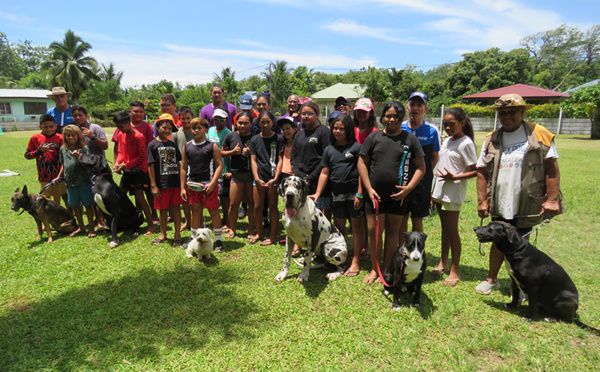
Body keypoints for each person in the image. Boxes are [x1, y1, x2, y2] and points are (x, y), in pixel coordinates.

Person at [475, 93, 563, 295]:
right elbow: (481, 171)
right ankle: (492, 279)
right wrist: (482, 201)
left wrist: (552, 199)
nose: (506, 116)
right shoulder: (492, 139)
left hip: (527, 199)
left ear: (522, 111)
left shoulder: (539, 133)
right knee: (498, 239)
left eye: (512, 111)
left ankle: (521, 284)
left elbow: (552, 168)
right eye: (502, 112)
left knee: (522, 242)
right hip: (499, 198)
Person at [357, 101, 425, 285]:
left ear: (402, 117)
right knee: (374, 232)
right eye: (388, 115)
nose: (392, 119)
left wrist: (408, 189)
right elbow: (362, 163)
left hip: (399, 196)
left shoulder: (410, 139)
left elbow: (421, 167)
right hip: (375, 196)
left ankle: (387, 268)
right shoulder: (374, 137)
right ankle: (374, 268)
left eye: (396, 116)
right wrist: (368, 189)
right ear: (382, 117)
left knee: (393, 232)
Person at [311, 114, 365, 277]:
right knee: (339, 228)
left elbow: (363, 172)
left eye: (342, 128)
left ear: (348, 130)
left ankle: (355, 260)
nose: (338, 131)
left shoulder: (356, 147)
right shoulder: (329, 150)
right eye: (335, 128)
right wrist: (318, 193)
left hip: (354, 194)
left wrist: (360, 194)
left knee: (356, 227)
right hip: (337, 194)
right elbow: (325, 172)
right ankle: (341, 259)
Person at [430, 107, 478, 286]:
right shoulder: (447, 141)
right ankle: (443, 262)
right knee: (445, 229)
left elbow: (475, 171)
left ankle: (455, 270)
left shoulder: (466, 143)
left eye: (452, 124)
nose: (448, 128)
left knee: (452, 231)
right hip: (440, 191)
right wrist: (434, 193)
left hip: (453, 193)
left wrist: (455, 177)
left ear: (462, 123)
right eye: (445, 125)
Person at [399, 92, 440, 245]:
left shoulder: (432, 131)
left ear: (425, 109)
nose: (415, 108)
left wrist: (421, 175)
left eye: (419, 105)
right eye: (412, 105)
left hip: (422, 184)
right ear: (407, 108)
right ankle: (401, 250)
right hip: (402, 181)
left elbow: (434, 158)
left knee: (417, 218)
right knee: (402, 217)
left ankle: (417, 251)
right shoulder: (400, 128)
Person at [180, 118, 225, 252]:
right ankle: (193, 237)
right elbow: (183, 168)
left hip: (208, 185)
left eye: (199, 128)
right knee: (196, 211)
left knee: (214, 211)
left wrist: (212, 183)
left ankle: (218, 240)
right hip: (193, 185)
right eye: (193, 128)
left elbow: (220, 166)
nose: (196, 131)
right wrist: (182, 187)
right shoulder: (187, 146)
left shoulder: (212, 146)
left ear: (206, 129)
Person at [113, 111, 155, 236]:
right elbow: (121, 152)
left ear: (128, 123)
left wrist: (125, 165)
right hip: (128, 170)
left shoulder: (138, 136)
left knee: (139, 196)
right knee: (120, 194)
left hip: (140, 170)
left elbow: (142, 157)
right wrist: (117, 163)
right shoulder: (121, 134)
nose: (119, 129)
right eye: (117, 126)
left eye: (121, 126)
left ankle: (151, 224)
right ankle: (124, 221)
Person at [248, 111, 284, 246]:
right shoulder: (255, 139)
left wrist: (275, 178)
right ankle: (259, 233)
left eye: (268, 122)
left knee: (273, 207)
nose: (265, 125)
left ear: (272, 123)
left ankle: (273, 236)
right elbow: (253, 160)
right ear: (259, 123)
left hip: (273, 178)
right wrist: (256, 178)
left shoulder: (278, 139)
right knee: (257, 207)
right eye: (262, 122)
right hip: (258, 178)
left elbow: (280, 160)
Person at [147, 114, 183, 246]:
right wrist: (153, 185)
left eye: (169, 129)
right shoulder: (152, 145)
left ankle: (177, 235)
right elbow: (150, 165)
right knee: (163, 210)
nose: (167, 131)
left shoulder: (172, 144)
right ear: (157, 127)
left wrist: (182, 181)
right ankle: (163, 234)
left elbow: (178, 163)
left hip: (175, 183)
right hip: (162, 184)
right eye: (164, 128)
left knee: (176, 209)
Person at [53, 125, 95, 237]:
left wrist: (78, 157)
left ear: (78, 135)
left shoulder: (84, 149)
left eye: (73, 135)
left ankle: (90, 228)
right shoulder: (63, 149)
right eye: (68, 135)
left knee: (88, 205)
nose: (70, 137)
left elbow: (88, 166)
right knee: (75, 205)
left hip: (84, 181)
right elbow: (63, 164)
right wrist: (58, 176)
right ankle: (81, 227)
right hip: (70, 182)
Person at [291, 101, 331, 219]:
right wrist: (302, 176)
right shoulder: (299, 134)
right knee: (303, 211)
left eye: (310, 113)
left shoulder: (323, 132)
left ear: (317, 114)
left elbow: (325, 157)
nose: (306, 116)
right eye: (303, 113)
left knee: (322, 214)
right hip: (302, 180)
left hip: (319, 179)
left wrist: (311, 177)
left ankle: (325, 235)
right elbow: (293, 158)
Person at [222, 111, 256, 239]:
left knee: (251, 204)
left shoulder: (255, 137)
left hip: (250, 175)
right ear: (236, 123)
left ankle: (251, 230)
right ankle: (232, 229)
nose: (242, 125)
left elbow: (259, 156)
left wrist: (250, 152)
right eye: (240, 123)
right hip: (236, 175)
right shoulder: (230, 136)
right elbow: (221, 153)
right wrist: (233, 152)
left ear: (251, 124)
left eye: (245, 123)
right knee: (233, 204)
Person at [25, 114, 68, 209]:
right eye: (45, 127)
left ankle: (69, 219)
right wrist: (39, 151)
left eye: (51, 127)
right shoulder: (35, 138)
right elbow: (27, 155)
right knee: (45, 201)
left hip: (60, 175)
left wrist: (61, 174)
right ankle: (48, 221)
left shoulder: (61, 138)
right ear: (40, 127)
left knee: (65, 198)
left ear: (56, 126)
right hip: (44, 175)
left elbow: (66, 157)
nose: (49, 129)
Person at [208, 107, 232, 233]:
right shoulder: (211, 130)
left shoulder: (228, 133)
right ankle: (220, 219)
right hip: (212, 169)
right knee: (214, 196)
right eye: (215, 119)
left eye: (221, 119)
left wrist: (229, 170)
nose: (218, 121)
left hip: (223, 169)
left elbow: (229, 153)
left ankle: (227, 221)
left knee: (224, 197)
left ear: (226, 120)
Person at [171, 105, 195, 231]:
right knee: (185, 197)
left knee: (196, 197)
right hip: (182, 169)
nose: (185, 121)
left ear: (193, 118)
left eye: (188, 118)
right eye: (183, 118)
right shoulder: (176, 134)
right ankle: (187, 221)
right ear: (179, 119)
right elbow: (174, 152)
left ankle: (197, 221)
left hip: (196, 169)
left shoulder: (197, 131)